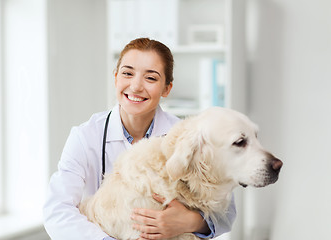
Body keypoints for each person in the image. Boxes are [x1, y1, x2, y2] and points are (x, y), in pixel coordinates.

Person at [43, 38, 236, 240]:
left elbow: (227, 211)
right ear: (116, 78)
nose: (135, 86)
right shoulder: (86, 136)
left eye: (151, 78)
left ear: (167, 88)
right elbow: (57, 210)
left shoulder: (187, 137)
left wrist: (189, 222)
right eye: (127, 73)